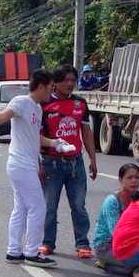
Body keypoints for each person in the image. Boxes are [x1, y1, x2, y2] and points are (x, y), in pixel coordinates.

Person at [0, 69, 73, 267]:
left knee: (21, 209)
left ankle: (14, 251)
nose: (52, 91)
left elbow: (34, 137)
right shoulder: (21, 102)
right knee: (38, 207)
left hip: (28, 165)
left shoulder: (38, 108)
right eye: (50, 87)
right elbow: (3, 116)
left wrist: (55, 143)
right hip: (20, 164)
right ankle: (32, 252)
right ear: (41, 86)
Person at [39, 64, 98, 259]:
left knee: (79, 205)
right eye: (66, 80)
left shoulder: (80, 104)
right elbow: (36, 136)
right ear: (55, 83)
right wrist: (39, 164)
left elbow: (86, 133)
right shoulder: (44, 105)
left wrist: (93, 159)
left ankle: (82, 243)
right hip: (51, 163)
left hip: (76, 164)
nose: (70, 84)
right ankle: (47, 243)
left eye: (73, 80)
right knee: (49, 206)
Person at [92, 164, 139, 273]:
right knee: (137, 267)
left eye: (137, 177)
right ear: (120, 179)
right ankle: (105, 263)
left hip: (130, 243)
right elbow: (116, 232)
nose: (134, 181)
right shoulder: (112, 201)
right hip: (107, 246)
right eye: (129, 178)